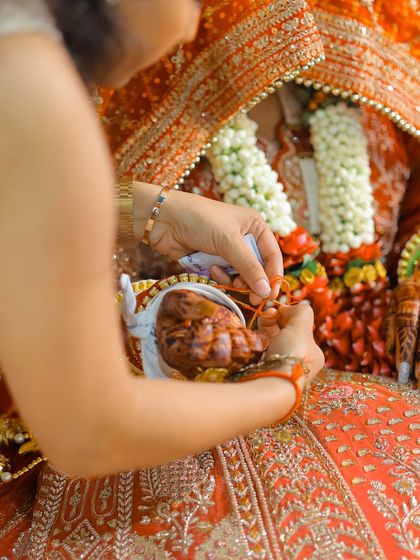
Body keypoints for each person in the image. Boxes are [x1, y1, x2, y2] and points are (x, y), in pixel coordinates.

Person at [0, 2, 418, 559]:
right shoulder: (33, 84)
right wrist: (284, 380)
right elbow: (88, 433)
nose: (198, 26)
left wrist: (147, 211)